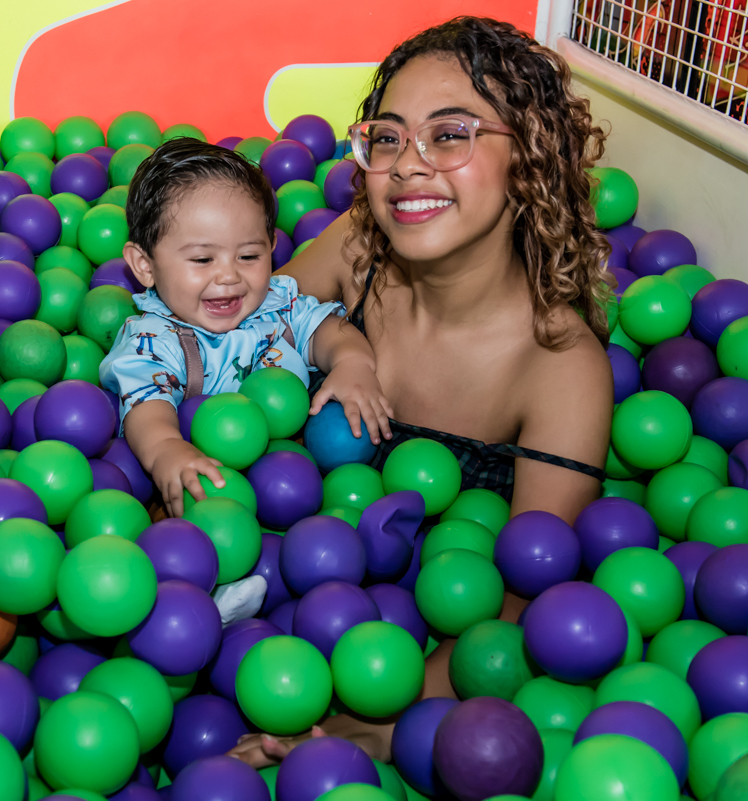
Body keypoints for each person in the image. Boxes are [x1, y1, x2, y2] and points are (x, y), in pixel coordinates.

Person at [229, 16, 615, 766]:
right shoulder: (358, 252)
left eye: (449, 135)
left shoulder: (559, 365)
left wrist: (378, 721)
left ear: (529, 158)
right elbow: (230, 345)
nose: (408, 164)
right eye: (388, 138)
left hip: (417, 648)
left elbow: (523, 600)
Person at [100, 139, 392, 519]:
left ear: (271, 247)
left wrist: (352, 364)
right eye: (202, 259)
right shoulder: (154, 340)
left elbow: (328, 329)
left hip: (297, 473)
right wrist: (167, 449)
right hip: (211, 483)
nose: (228, 276)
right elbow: (146, 405)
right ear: (145, 265)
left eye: (249, 256)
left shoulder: (276, 305)